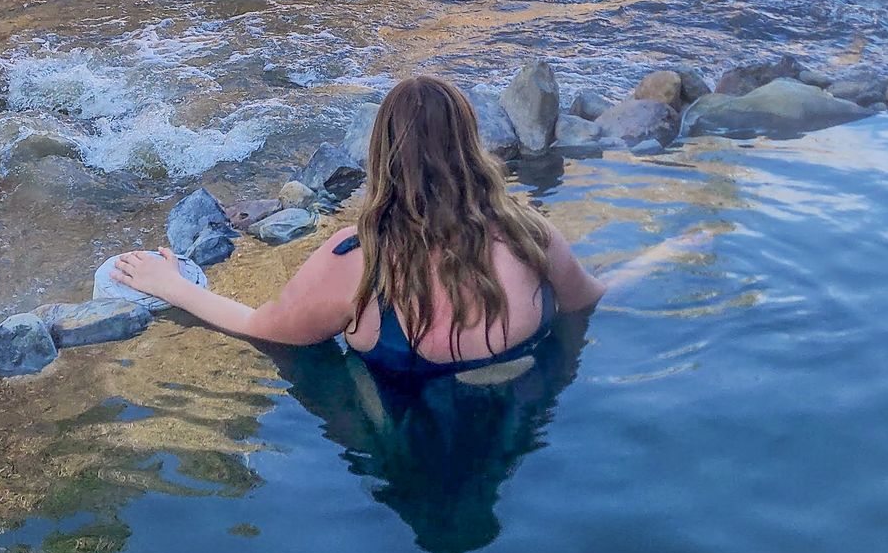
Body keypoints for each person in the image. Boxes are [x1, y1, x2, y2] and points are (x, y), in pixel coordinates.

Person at [112, 73, 709, 378]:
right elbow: (589, 301)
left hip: (403, 424)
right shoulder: (532, 237)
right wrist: (666, 252)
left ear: (381, 157)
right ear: (473, 147)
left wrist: (174, 287)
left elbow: (265, 329)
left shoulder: (354, 261)